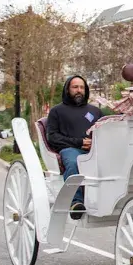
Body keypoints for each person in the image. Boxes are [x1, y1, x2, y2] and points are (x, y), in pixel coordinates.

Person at [46, 75, 102, 219]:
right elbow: (52, 137)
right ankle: (75, 203)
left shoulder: (95, 112)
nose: (79, 90)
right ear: (67, 89)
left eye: (82, 87)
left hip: (95, 150)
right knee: (73, 161)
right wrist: (79, 142)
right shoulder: (57, 111)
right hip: (70, 150)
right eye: (75, 87)